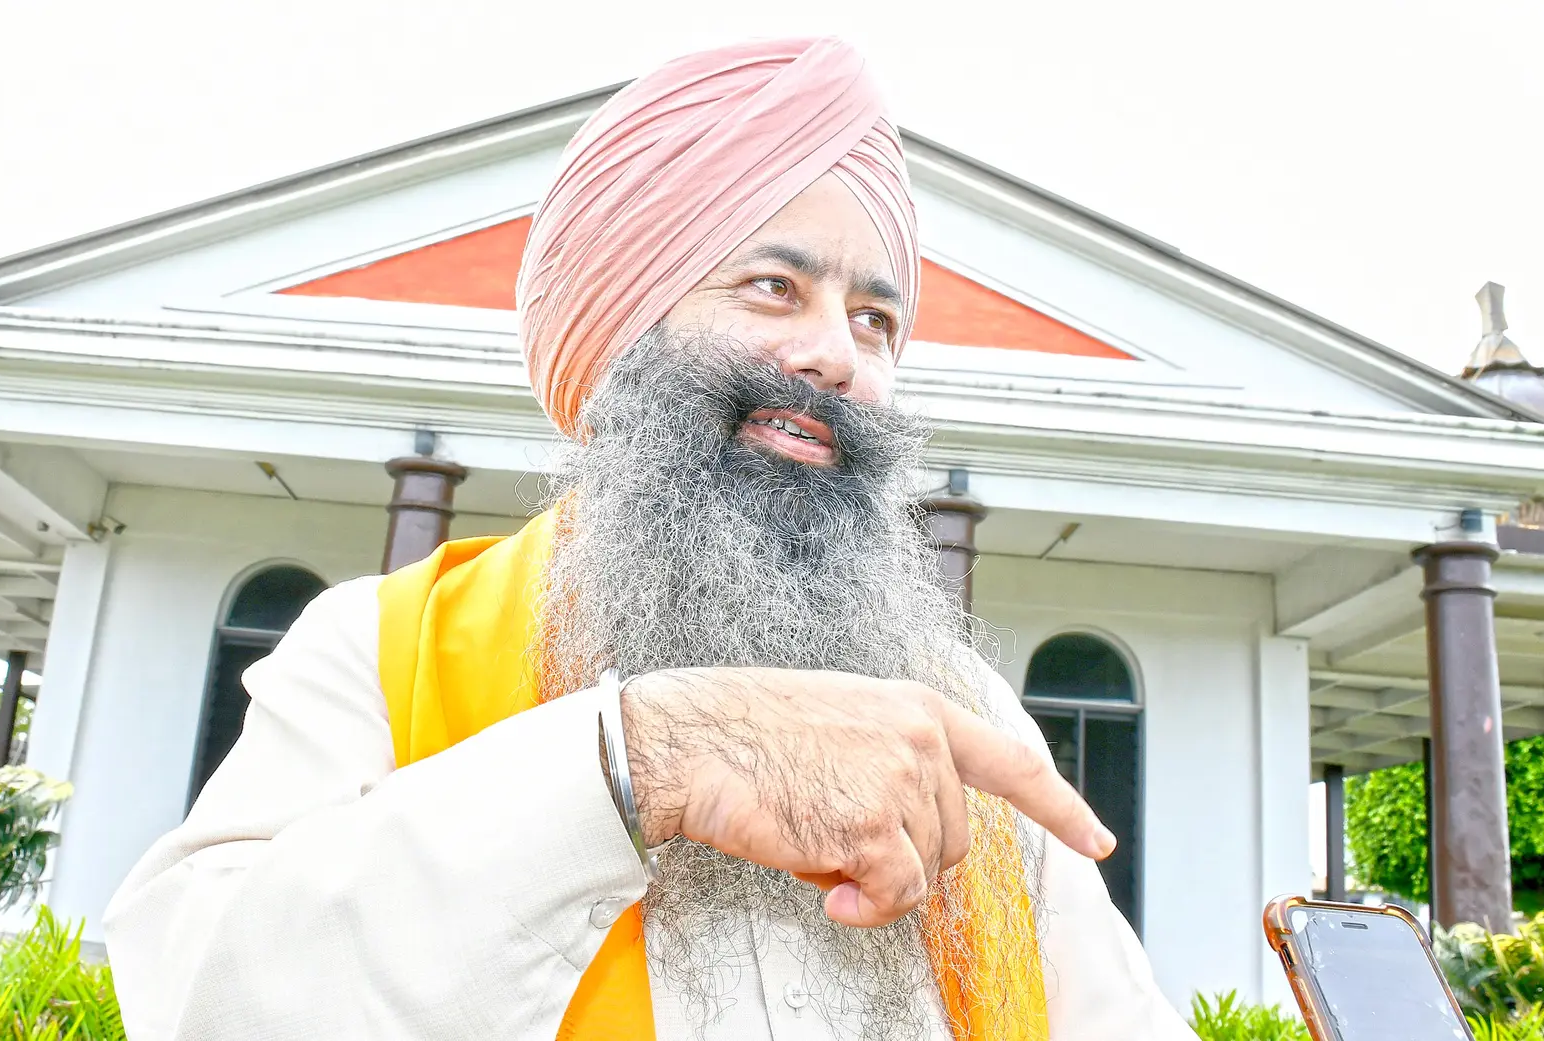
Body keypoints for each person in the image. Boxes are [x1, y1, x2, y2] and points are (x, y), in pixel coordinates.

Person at [105, 36, 1197, 1041]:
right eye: (773, 288)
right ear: (623, 330)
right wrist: (644, 759)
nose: (835, 354)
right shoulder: (382, 649)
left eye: (875, 319)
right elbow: (194, 997)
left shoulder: (960, 711)